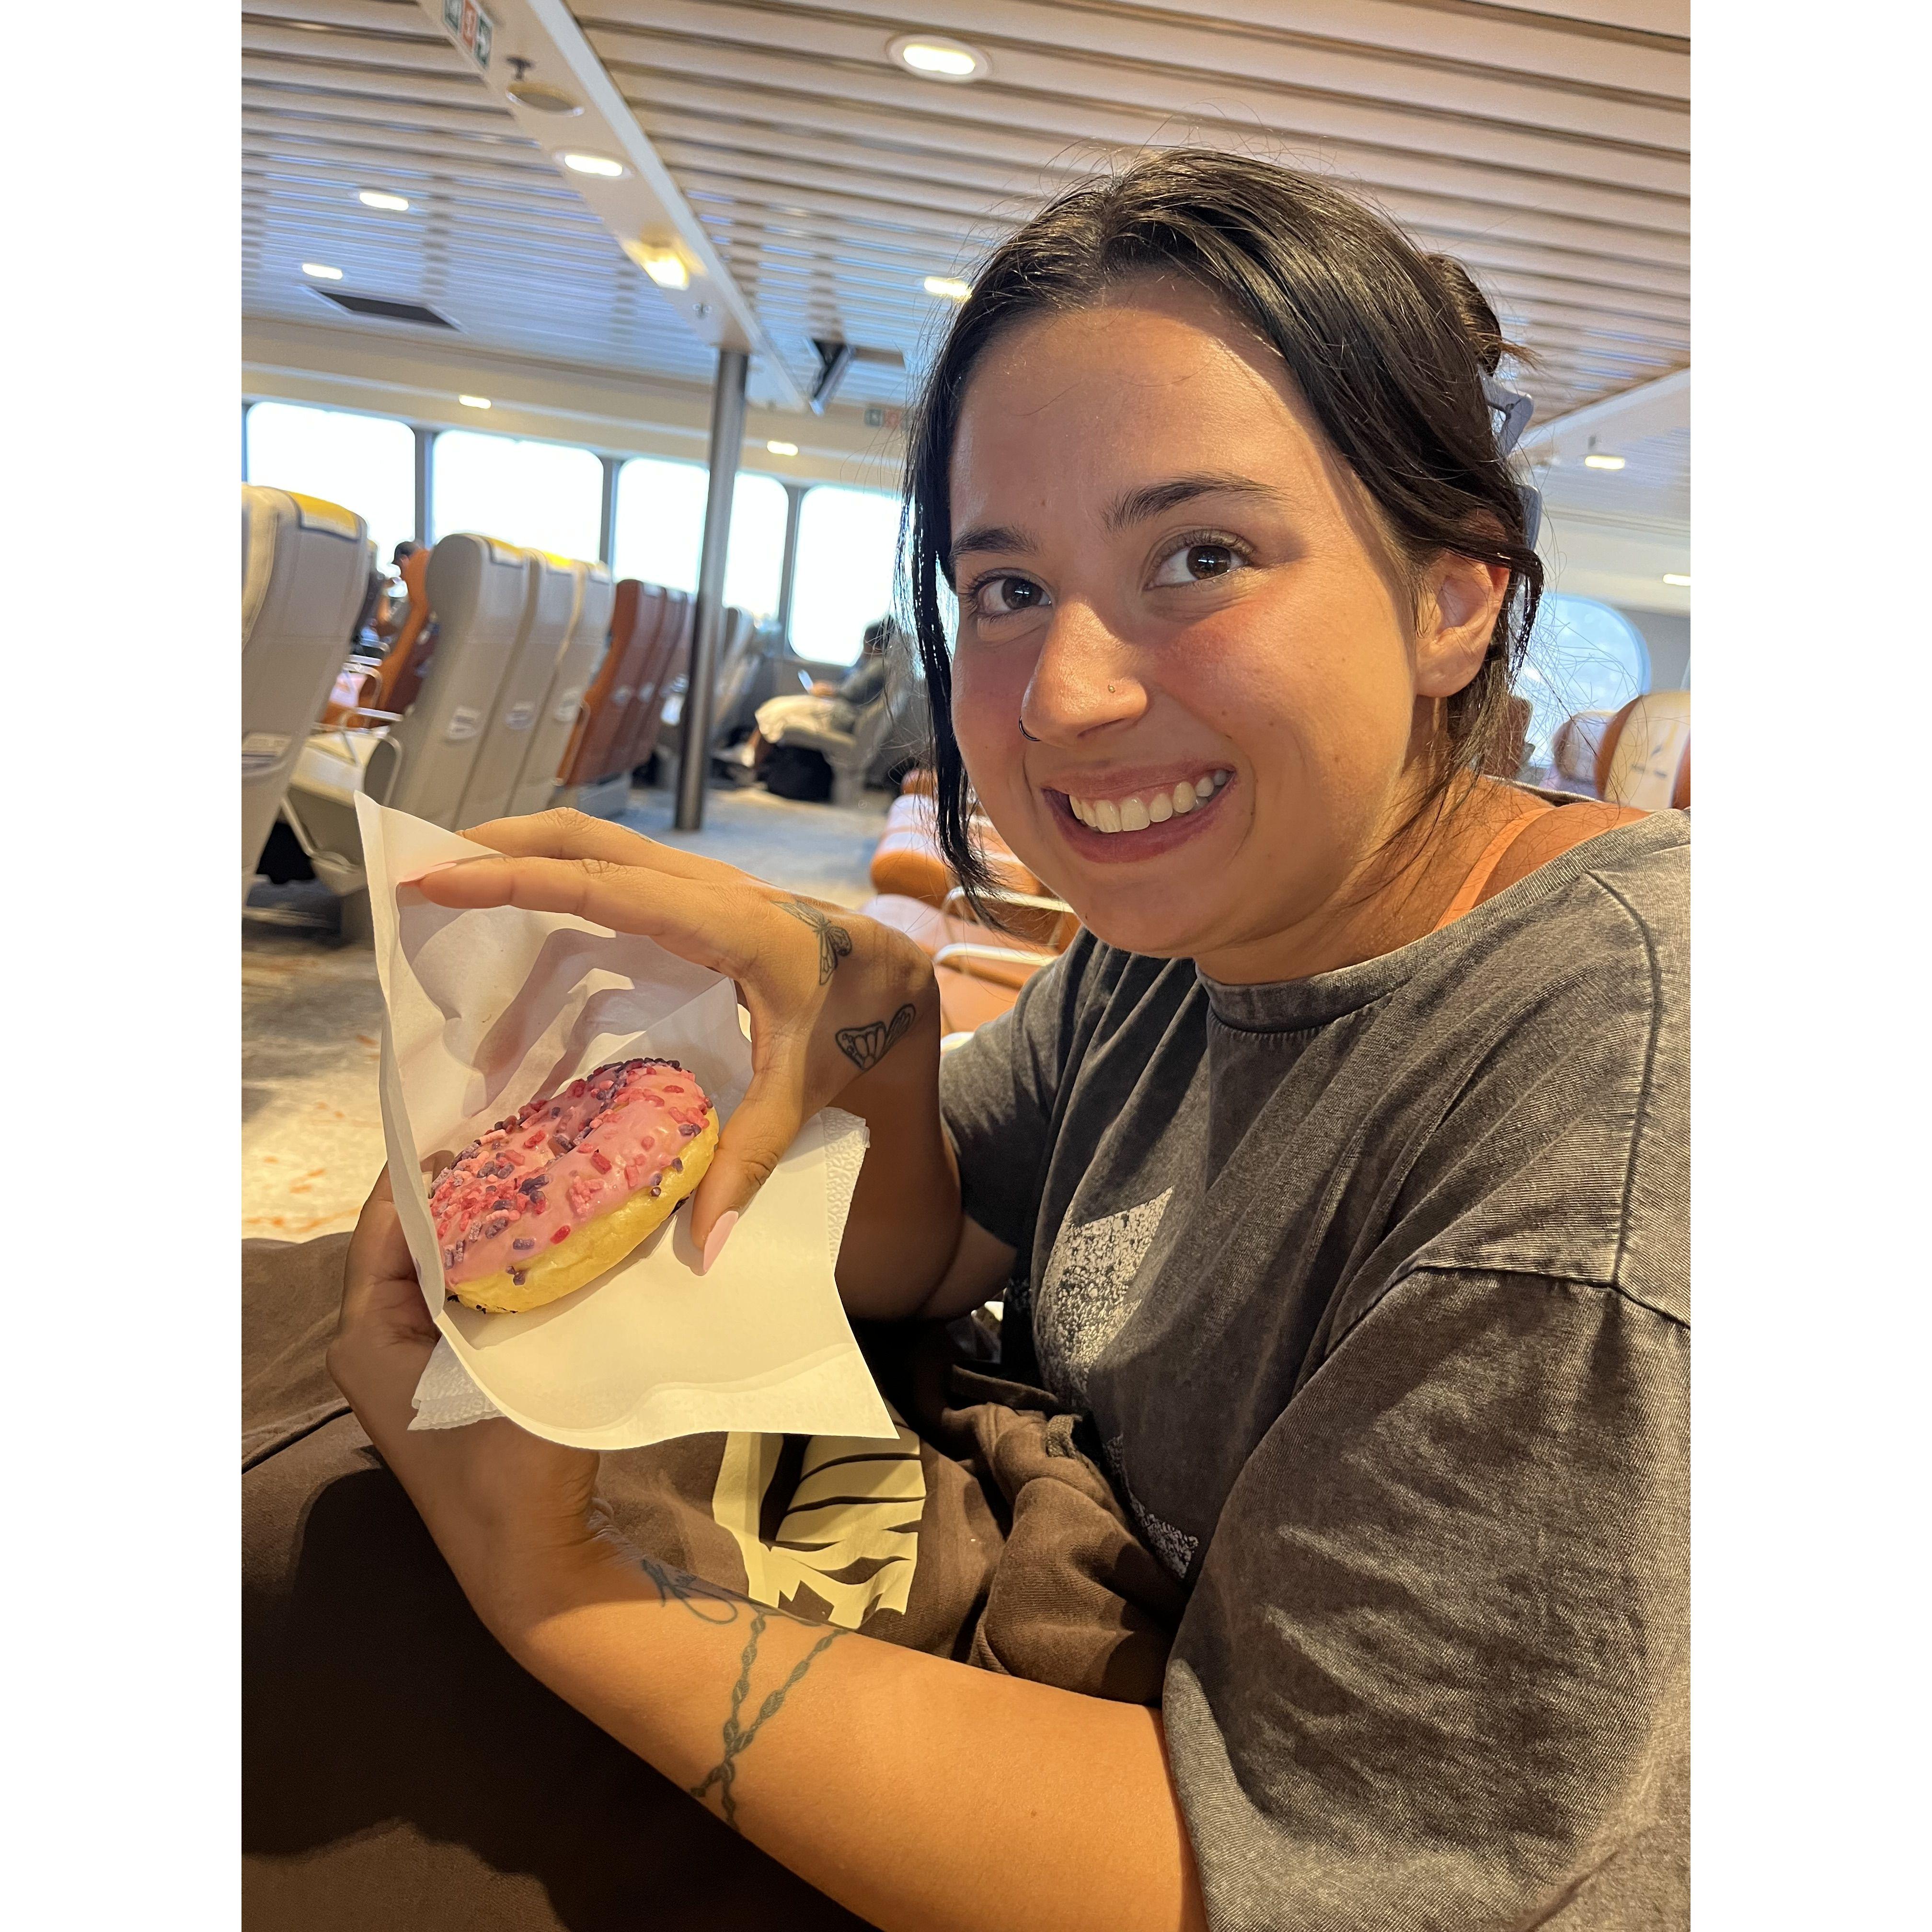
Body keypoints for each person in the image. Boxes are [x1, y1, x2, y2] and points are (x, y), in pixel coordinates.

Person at [300, 149, 1686, 1930]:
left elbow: (1305, 1871)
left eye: (1201, 557)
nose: (1068, 700)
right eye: (1008, 586)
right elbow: (931, 1247)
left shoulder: (1610, 1092)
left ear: (1452, 598)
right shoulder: (1211, 920)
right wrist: (860, 1005)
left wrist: (552, 1584)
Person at [748, 614, 897, 768]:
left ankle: (752, 765)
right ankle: (750, 759)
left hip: (842, 715)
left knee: (775, 712)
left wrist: (830, 691)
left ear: (873, 643)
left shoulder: (878, 667)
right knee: (775, 707)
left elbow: (851, 693)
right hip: (839, 708)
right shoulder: (871, 663)